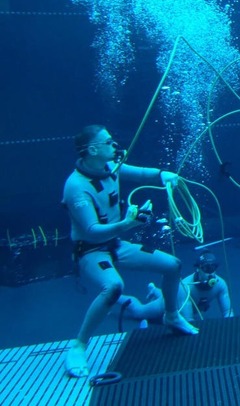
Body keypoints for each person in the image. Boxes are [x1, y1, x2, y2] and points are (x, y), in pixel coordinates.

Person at [62, 124, 199, 378]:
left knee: (173, 265)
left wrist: (163, 175)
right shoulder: (76, 187)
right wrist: (127, 223)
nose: (115, 146)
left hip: (116, 245)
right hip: (91, 252)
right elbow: (91, 230)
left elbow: (143, 174)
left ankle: (171, 316)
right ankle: (79, 346)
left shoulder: (110, 168)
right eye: (109, 142)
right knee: (113, 287)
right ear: (92, 149)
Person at [117, 249, 233, 324]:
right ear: (198, 268)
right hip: (167, 304)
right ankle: (117, 297)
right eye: (207, 268)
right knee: (139, 312)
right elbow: (189, 321)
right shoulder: (186, 288)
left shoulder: (220, 284)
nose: (211, 273)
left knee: (168, 293)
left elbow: (228, 312)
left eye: (213, 268)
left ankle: (154, 290)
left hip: (178, 298)